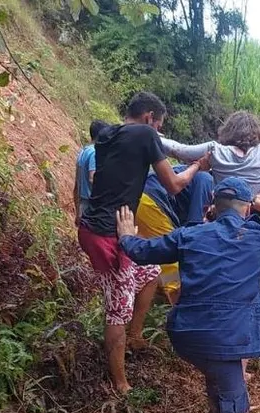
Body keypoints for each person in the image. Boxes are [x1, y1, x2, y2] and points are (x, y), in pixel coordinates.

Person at [116, 177, 260, 413]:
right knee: (234, 411)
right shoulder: (259, 237)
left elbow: (142, 251)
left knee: (220, 381)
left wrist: (126, 236)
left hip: (186, 334)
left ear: (213, 207)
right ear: (246, 209)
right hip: (228, 337)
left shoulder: (189, 235)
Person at [77, 91, 210, 394]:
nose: (159, 131)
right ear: (150, 118)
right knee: (117, 308)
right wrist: (197, 166)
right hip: (109, 234)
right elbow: (175, 186)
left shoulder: (108, 133)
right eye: (159, 125)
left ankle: (134, 336)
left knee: (150, 272)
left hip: (98, 227)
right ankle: (120, 384)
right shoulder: (146, 134)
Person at [159, 111, 260, 195]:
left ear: (229, 130)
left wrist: (151, 136)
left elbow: (179, 150)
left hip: (221, 213)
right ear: (256, 132)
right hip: (252, 218)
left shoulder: (215, 150)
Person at [134, 165, 214, 304]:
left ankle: (155, 297)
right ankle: (181, 309)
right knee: (171, 263)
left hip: (138, 197)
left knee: (152, 258)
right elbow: (194, 225)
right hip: (151, 202)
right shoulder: (205, 179)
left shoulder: (188, 171)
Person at [73, 119, 108, 222]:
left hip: (82, 203)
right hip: (91, 205)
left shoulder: (84, 151)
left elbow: (76, 185)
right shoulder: (94, 152)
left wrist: (77, 210)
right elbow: (93, 178)